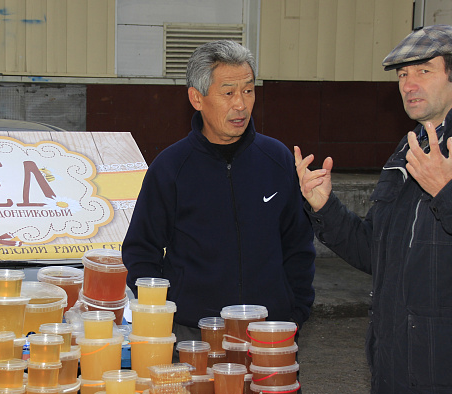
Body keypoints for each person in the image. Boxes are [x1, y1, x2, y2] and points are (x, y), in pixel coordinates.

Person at [295, 24, 452, 394]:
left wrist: (450, 194)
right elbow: (375, 252)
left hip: (449, 381)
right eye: (403, 75)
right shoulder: (407, 150)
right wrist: (325, 206)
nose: (409, 84)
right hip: (398, 373)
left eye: (424, 71)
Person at [122, 40, 316, 344]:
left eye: (248, 91)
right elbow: (141, 251)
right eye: (228, 93)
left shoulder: (277, 159)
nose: (241, 104)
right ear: (196, 98)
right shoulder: (171, 167)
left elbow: (298, 245)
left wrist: (296, 311)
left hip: (269, 329)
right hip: (192, 334)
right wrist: (162, 313)